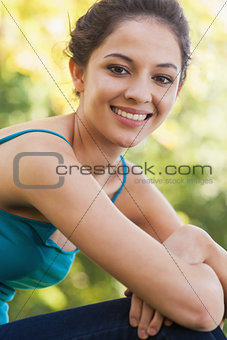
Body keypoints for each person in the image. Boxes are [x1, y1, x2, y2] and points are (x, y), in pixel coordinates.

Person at [0, 0, 226, 339]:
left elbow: (200, 295)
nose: (139, 93)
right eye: (119, 69)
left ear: (176, 92)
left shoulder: (127, 185)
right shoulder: (41, 158)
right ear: (78, 73)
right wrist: (179, 281)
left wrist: (201, 244)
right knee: (178, 326)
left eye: (161, 78)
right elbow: (200, 306)